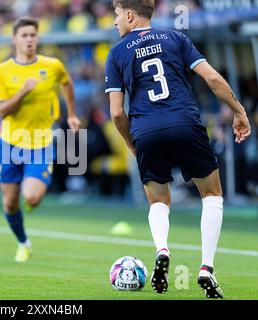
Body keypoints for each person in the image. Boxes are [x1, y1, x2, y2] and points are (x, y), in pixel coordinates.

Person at [105, 0, 251, 298]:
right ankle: (206, 269)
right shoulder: (176, 38)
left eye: (117, 14)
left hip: (146, 130)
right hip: (186, 123)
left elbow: (117, 113)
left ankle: (162, 249)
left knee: (158, 201)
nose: (115, 21)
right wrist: (239, 111)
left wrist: (132, 143)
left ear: (130, 15)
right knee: (212, 195)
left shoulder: (117, 52)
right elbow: (211, 78)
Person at [0, 17, 81, 262]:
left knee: (32, 197)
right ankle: (23, 243)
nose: (29, 39)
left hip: (41, 144)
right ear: (15, 40)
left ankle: (29, 200)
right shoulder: (2, 70)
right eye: (24, 35)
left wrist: (72, 114)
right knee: (10, 204)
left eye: (33, 35)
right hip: (9, 144)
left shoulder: (52, 66)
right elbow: (2, 111)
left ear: (37, 38)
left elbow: (67, 83)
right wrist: (23, 91)